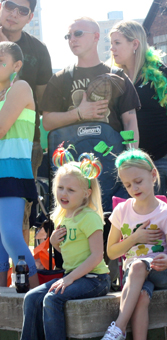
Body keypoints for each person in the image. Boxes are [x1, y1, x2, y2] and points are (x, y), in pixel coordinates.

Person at [6, 161, 111, 340]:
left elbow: (96, 256)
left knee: (52, 298)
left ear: (86, 193)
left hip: (95, 279)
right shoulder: (63, 216)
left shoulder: (89, 217)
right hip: (73, 275)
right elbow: (69, 253)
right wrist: (54, 243)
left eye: (71, 189)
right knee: (31, 297)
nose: (64, 193)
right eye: (60, 188)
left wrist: (70, 278)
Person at [94, 149, 167, 340]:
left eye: (138, 181)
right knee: (141, 295)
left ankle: (118, 329)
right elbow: (111, 252)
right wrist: (134, 238)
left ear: (153, 175)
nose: (134, 188)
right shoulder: (122, 211)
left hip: (163, 274)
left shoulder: (165, 213)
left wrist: (166, 260)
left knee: (139, 266)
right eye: (127, 184)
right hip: (136, 277)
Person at [109, 20, 167, 195]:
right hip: (125, 160)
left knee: (156, 217)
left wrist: (163, 142)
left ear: (135, 44)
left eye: (117, 43)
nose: (112, 49)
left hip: (157, 158)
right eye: (111, 43)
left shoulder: (160, 74)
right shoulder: (114, 77)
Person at [0, 0, 52, 248]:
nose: (14, 13)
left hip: (23, 144)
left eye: (23, 10)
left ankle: (18, 275)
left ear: (31, 17)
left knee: (19, 213)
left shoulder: (37, 49)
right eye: (10, 5)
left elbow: (43, 100)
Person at [41, 17, 140, 146]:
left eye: (78, 33)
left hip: (111, 160)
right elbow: (47, 122)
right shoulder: (60, 78)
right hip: (72, 162)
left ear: (96, 36)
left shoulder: (117, 76)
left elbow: (130, 121)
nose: (72, 39)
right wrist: (78, 113)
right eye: (68, 36)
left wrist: (131, 158)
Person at [0, 41, 38, 287]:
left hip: (12, 173)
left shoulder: (21, 87)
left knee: (12, 236)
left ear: (17, 65)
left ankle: (39, 296)